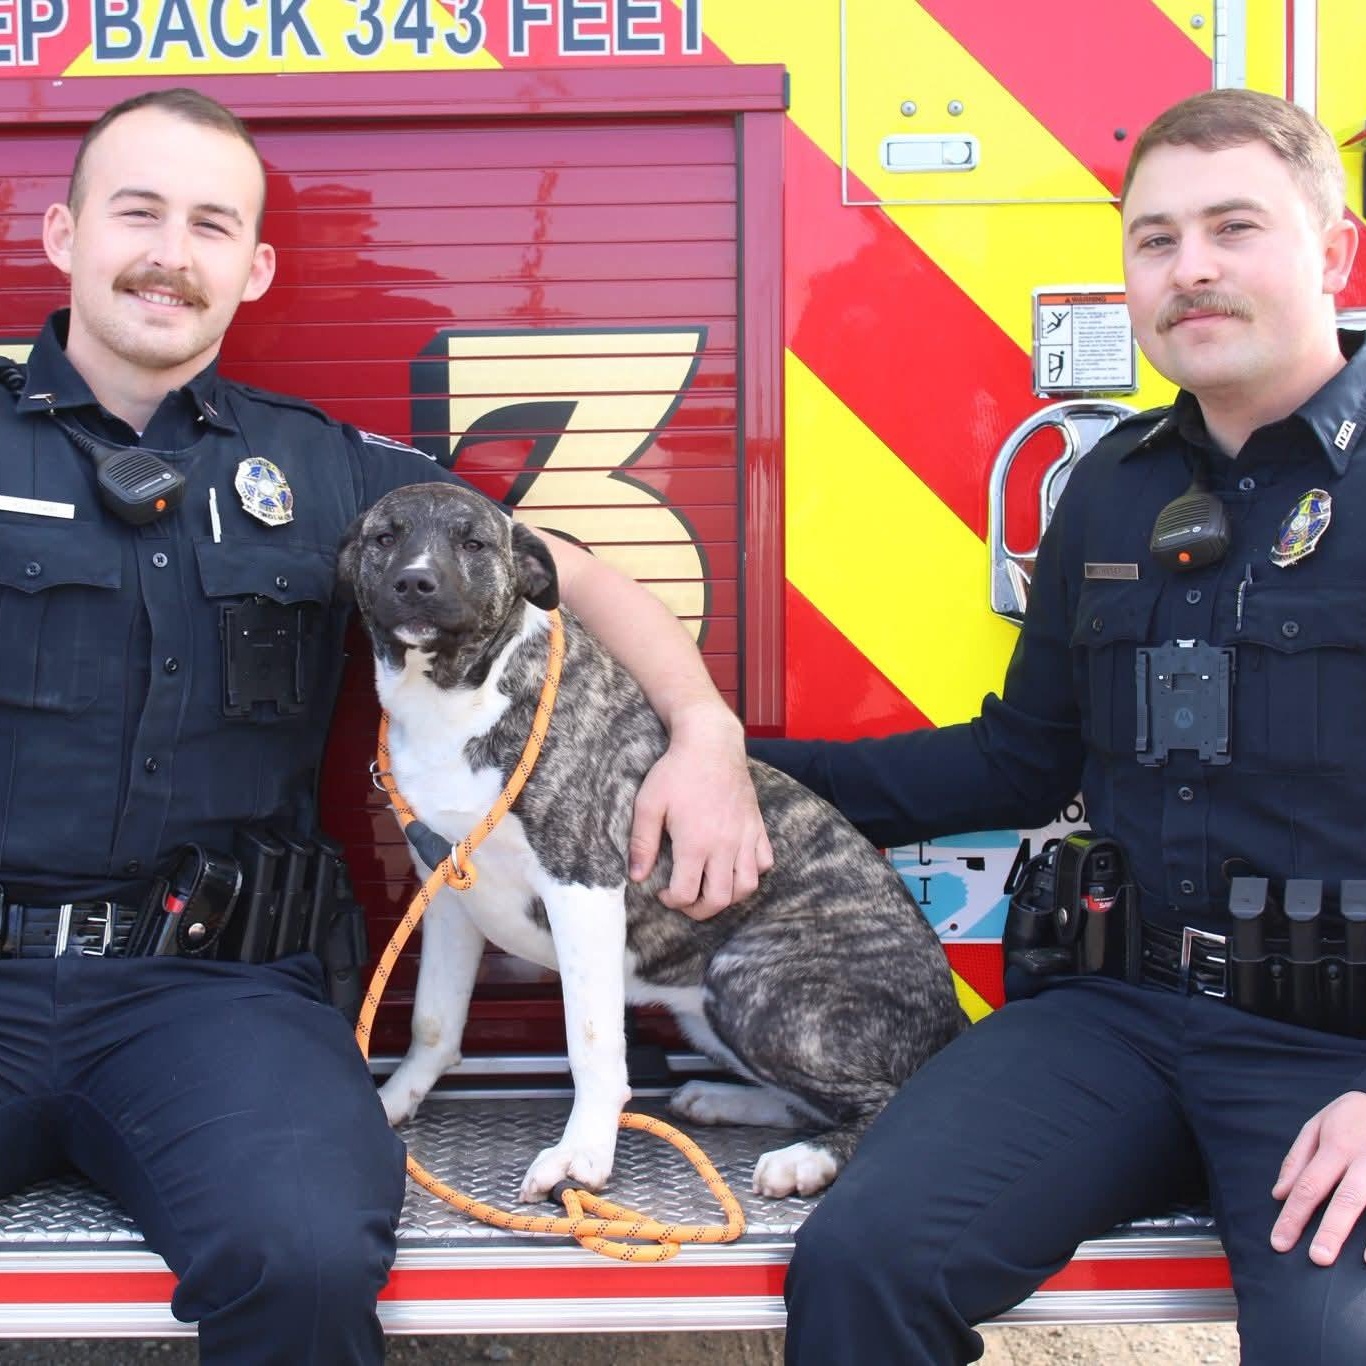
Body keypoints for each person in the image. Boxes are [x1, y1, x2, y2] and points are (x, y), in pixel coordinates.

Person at [0, 87, 768, 1363]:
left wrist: (704, 733)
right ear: (61, 234)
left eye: (209, 225)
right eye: (137, 211)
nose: (168, 253)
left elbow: (570, 570)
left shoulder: (319, 468)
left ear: (253, 270)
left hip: (216, 991)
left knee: (303, 1256)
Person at [750, 89, 1365, 1364]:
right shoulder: (1109, 486)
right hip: (1115, 1019)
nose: (1188, 268)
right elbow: (1015, 760)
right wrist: (726, 767)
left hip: (1336, 1048)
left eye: (1232, 227)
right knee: (863, 1264)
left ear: (1334, 250)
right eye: (1154, 239)